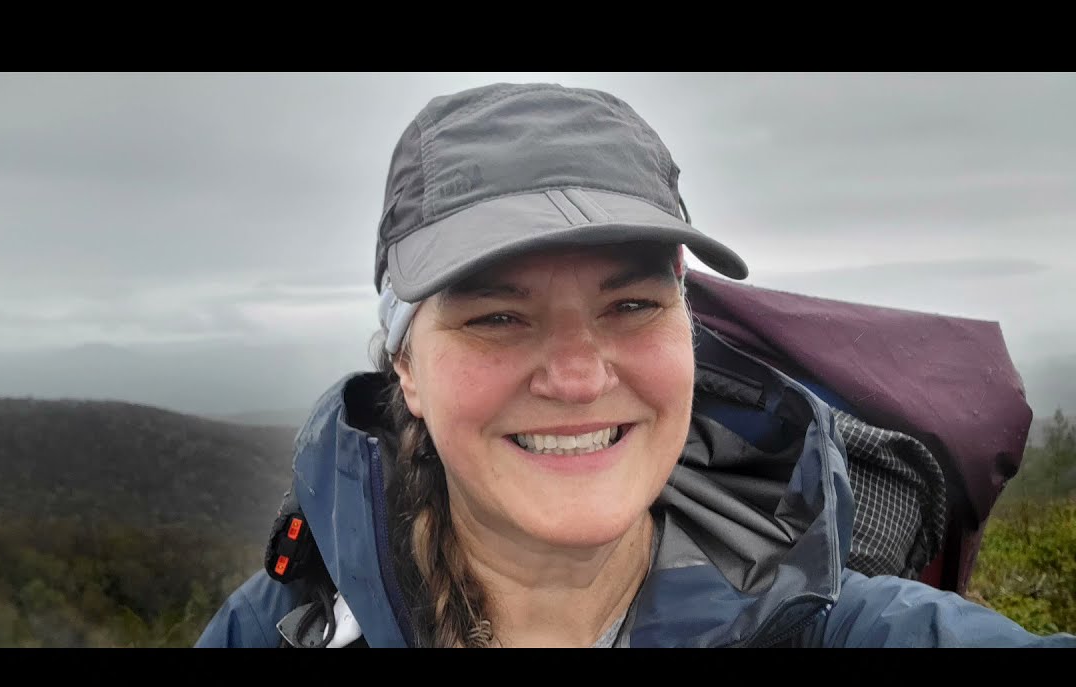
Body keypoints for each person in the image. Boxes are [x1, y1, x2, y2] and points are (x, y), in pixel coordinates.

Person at [195, 81, 1076, 648]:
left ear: (688, 324)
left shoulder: (837, 627)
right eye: (499, 316)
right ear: (407, 372)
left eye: (632, 306)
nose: (578, 378)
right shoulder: (289, 624)